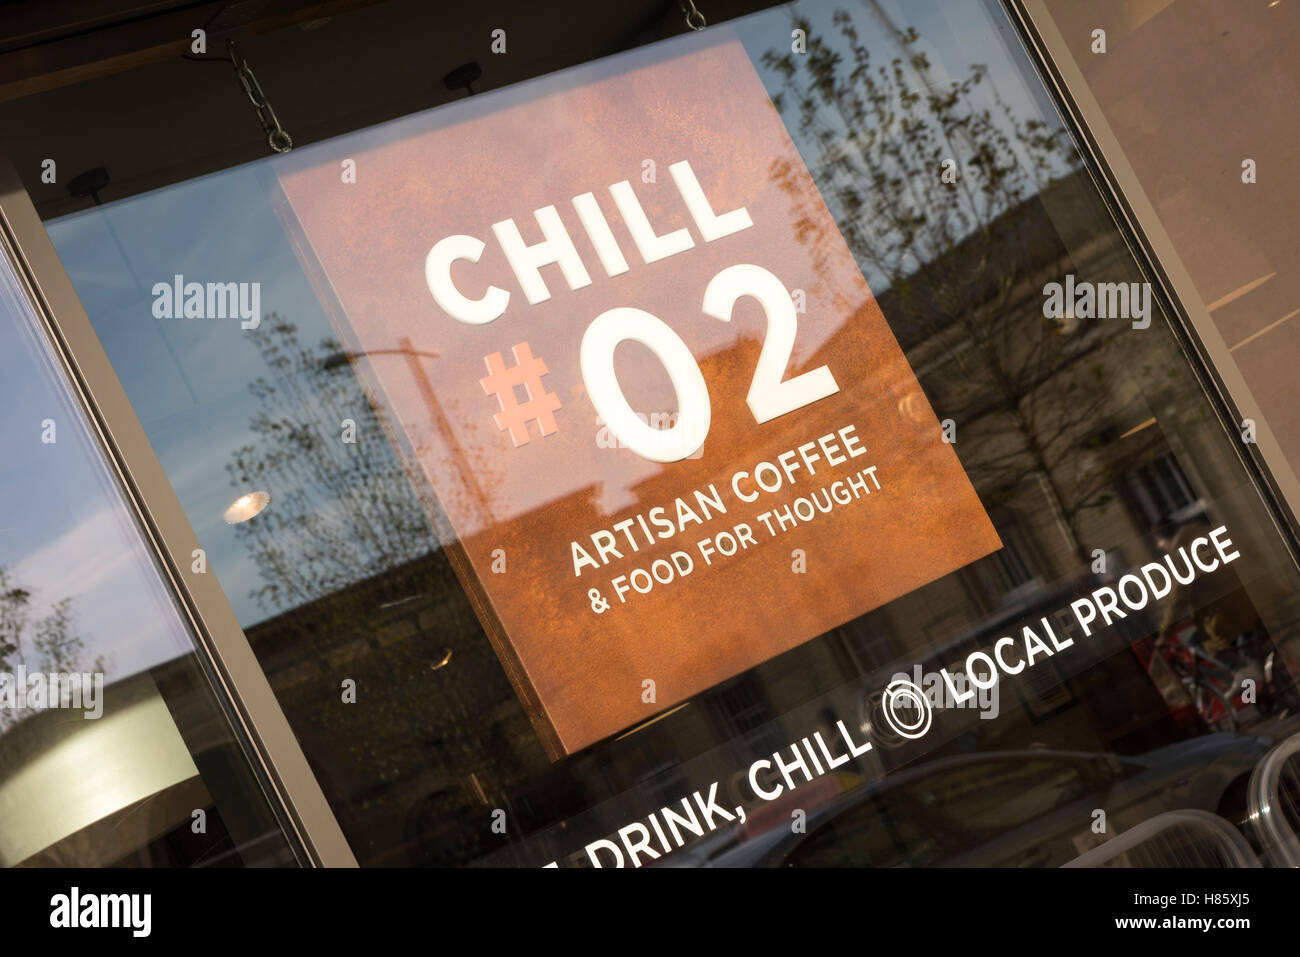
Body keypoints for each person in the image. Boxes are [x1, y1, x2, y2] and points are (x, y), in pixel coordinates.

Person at [1154, 517, 1262, 667]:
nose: (1161, 547)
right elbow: (1250, 547)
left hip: (1228, 613)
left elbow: (1178, 598)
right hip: (1252, 596)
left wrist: (1164, 634)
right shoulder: (1207, 531)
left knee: (1198, 642)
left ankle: (1244, 672)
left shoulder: (1182, 555)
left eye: (1160, 543)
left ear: (1165, 540)